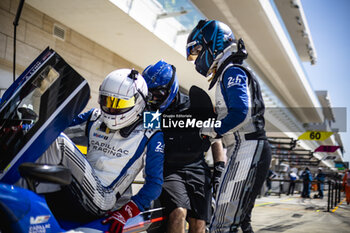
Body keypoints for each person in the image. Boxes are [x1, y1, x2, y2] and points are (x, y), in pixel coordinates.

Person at [28, 69, 165, 232]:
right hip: (77, 189)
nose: (111, 109)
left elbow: (155, 183)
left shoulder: (151, 133)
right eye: (107, 101)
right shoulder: (95, 117)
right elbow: (58, 128)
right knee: (50, 137)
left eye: (119, 104)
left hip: (104, 198)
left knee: (60, 142)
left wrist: (127, 211)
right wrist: (28, 125)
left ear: (138, 102)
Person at [186, 20, 272, 233]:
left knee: (222, 224)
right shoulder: (231, 69)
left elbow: (240, 112)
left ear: (212, 43)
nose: (197, 57)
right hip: (246, 148)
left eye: (198, 49)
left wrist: (213, 128)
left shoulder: (232, 71)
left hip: (248, 148)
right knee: (239, 223)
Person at [142, 60, 226, 233]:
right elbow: (142, 141)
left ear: (171, 87)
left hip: (197, 168)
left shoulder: (196, 105)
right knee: (178, 213)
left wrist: (219, 169)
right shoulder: (151, 112)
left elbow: (215, 139)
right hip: (169, 170)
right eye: (149, 95)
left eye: (157, 94)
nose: (153, 99)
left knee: (198, 223)